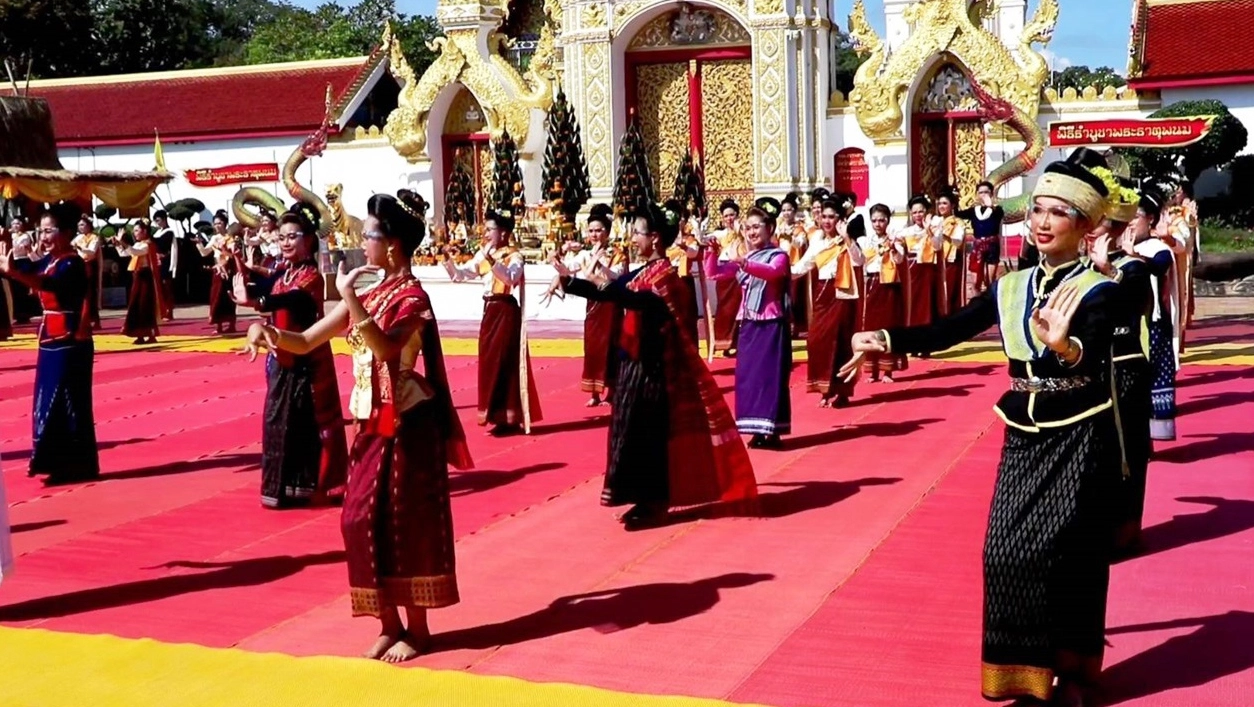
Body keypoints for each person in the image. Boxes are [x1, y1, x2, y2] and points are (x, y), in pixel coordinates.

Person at [848, 151, 1121, 706]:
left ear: (1085, 225)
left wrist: (1063, 345)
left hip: (1081, 429)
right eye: (1037, 211)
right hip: (1023, 427)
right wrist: (890, 339)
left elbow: (1090, 356)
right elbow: (952, 328)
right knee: (1004, 551)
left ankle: (1072, 671)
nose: (1042, 223)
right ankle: (1023, 675)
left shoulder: (1100, 289)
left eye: (1058, 213)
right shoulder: (1011, 286)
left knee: (1071, 553)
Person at [244, 191, 472, 663]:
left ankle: (418, 628)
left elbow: (388, 351)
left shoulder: (411, 296)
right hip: (371, 422)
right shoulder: (369, 293)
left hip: (409, 422)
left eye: (368, 234)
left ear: (391, 245)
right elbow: (306, 340)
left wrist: (349, 296)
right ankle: (388, 623)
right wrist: (263, 330)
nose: (360, 241)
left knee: (404, 523)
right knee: (358, 520)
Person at [551, 200, 757, 530]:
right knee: (628, 433)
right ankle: (640, 498)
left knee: (649, 436)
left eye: (638, 232)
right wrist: (570, 282)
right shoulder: (643, 273)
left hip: (654, 370)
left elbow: (634, 299)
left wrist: (593, 286)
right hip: (632, 366)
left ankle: (655, 501)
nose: (633, 238)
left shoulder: (668, 279)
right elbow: (612, 292)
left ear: (656, 238)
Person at [234, 203, 348, 509]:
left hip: (305, 362)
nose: (284, 242)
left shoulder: (311, 276)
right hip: (282, 358)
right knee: (277, 423)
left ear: (309, 240)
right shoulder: (286, 271)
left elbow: (293, 300)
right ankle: (282, 488)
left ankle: (308, 485)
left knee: (302, 424)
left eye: (292, 236)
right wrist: (242, 274)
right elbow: (268, 284)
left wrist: (257, 302)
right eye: (281, 237)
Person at [0, 202, 101, 486]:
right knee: (47, 401)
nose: (43, 236)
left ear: (65, 232)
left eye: (49, 230)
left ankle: (76, 463)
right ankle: (55, 461)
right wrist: (10, 265)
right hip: (50, 339)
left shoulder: (72, 263)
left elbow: (47, 283)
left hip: (71, 340)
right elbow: (27, 266)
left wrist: (16, 273)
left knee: (68, 402)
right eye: (41, 231)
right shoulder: (51, 259)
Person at [1088, 182, 1154, 556]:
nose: (1089, 233)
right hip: (1095, 370)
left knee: (1126, 453)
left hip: (1126, 370)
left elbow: (1133, 308)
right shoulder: (1082, 266)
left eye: (1095, 225)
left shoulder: (1132, 268)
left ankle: (1125, 530)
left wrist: (1108, 268)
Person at [442, 209, 542, 434]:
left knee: (504, 361)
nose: (485, 234)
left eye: (489, 229)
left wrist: (490, 259)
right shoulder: (483, 256)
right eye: (485, 229)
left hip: (505, 311)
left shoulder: (514, 256)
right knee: (489, 362)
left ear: (504, 233)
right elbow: (460, 275)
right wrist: (446, 258)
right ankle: (493, 415)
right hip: (489, 311)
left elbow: (510, 278)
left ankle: (508, 416)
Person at [704, 197, 792, 448]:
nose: (752, 232)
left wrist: (744, 262)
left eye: (757, 227)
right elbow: (714, 274)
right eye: (749, 227)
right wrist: (711, 253)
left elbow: (773, 273)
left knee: (770, 378)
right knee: (748, 378)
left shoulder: (778, 256)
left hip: (771, 323)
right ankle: (756, 429)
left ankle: (772, 430)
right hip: (750, 324)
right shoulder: (747, 257)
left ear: (770, 228)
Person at [792, 198, 864, 407]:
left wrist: (847, 238)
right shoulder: (818, 242)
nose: (827, 221)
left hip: (842, 296)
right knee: (817, 341)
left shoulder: (847, 241)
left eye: (831, 217)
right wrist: (777, 271)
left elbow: (859, 261)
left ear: (839, 220)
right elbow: (801, 267)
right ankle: (824, 388)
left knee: (841, 342)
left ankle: (842, 391)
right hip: (822, 297)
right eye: (824, 216)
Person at [1129, 188, 1179, 442]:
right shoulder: (1122, 248)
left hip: (1154, 324)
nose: (1130, 222)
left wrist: (1131, 255)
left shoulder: (1158, 248)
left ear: (1149, 218)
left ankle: (1150, 438)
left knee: (1153, 376)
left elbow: (1159, 267)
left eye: (1135, 215)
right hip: (1129, 324)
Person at [565, 206, 626, 406]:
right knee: (593, 347)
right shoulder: (584, 254)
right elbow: (569, 269)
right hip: (593, 305)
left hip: (611, 304)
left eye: (598, 230)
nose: (594, 234)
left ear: (607, 232)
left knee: (612, 345)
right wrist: (559, 258)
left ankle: (612, 390)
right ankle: (594, 393)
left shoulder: (617, 253)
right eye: (591, 230)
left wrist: (600, 265)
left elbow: (617, 275)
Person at [857, 204, 907, 382]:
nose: (878, 224)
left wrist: (893, 247)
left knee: (888, 324)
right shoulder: (865, 241)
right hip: (871, 283)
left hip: (889, 285)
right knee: (870, 325)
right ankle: (872, 369)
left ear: (888, 221)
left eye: (881, 220)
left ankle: (888, 369)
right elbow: (860, 262)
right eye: (874, 220)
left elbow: (899, 259)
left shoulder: (896, 240)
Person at [112, 220, 162, 344]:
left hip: (145, 277)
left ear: (145, 231)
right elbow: (125, 254)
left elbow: (135, 252)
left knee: (145, 305)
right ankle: (139, 334)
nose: (135, 233)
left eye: (137, 230)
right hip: (137, 277)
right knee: (135, 305)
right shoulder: (139, 244)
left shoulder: (147, 244)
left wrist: (122, 241)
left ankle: (149, 334)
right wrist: (118, 245)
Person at [957, 180, 1006, 294]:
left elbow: (999, 216)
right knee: (975, 281)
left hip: (992, 246)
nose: (983, 195)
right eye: (980, 192)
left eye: (986, 192)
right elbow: (958, 214)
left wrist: (990, 205)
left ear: (991, 194)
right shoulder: (974, 211)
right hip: (978, 246)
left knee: (989, 279)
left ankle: (990, 303)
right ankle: (976, 303)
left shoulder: (997, 210)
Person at [199, 210, 238, 334]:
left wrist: (224, 250)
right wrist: (199, 244)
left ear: (225, 223)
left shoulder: (231, 237)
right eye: (215, 223)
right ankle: (219, 325)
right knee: (216, 296)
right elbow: (204, 252)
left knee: (228, 295)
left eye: (219, 223)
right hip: (218, 269)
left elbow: (232, 255)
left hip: (228, 268)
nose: (217, 225)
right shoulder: (214, 238)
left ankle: (232, 324)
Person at [71, 216, 103, 330]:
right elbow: (70, 246)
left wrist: (79, 248)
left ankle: (94, 319)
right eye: (79, 225)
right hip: (80, 265)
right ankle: (84, 318)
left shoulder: (94, 237)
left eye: (83, 225)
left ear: (89, 226)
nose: (81, 227)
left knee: (90, 293)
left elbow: (92, 251)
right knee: (81, 293)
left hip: (90, 265)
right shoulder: (78, 237)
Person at [151, 210, 178, 321]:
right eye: (155, 220)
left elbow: (161, 243)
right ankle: (161, 310)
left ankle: (169, 311)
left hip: (166, 262)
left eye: (158, 220)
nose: (157, 223)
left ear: (164, 219)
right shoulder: (156, 233)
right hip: (157, 262)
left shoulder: (169, 232)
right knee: (159, 287)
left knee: (166, 286)